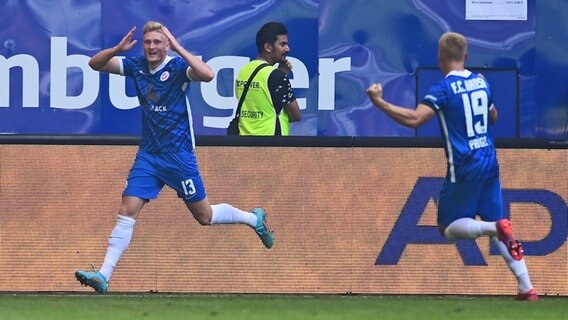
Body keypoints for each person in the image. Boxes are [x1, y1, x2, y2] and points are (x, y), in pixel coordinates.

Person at [75, 21, 274, 294]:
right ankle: (103, 275)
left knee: (204, 216)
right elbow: (94, 64)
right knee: (127, 210)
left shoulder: (178, 68)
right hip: (149, 155)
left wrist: (179, 48)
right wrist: (118, 49)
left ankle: (253, 219)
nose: (152, 47)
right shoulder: (136, 67)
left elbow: (208, 75)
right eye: (148, 43)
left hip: (179, 156)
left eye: (158, 42)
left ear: (166, 45)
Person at [366, 32, 538, 301]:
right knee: (500, 225)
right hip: (490, 161)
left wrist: (379, 102)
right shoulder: (481, 82)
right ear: (466, 57)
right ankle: (526, 286)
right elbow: (493, 116)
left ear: (440, 57)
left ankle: (493, 228)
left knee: (447, 227)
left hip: (464, 166)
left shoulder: (443, 89)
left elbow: (414, 120)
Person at [234, 21, 301, 136]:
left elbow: (262, 99)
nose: (287, 49)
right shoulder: (276, 76)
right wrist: (282, 75)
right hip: (270, 144)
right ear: (268, 47)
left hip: (244, 142)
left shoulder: (243, 71)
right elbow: (296, 116)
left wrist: (281, 73)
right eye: (282, 44)